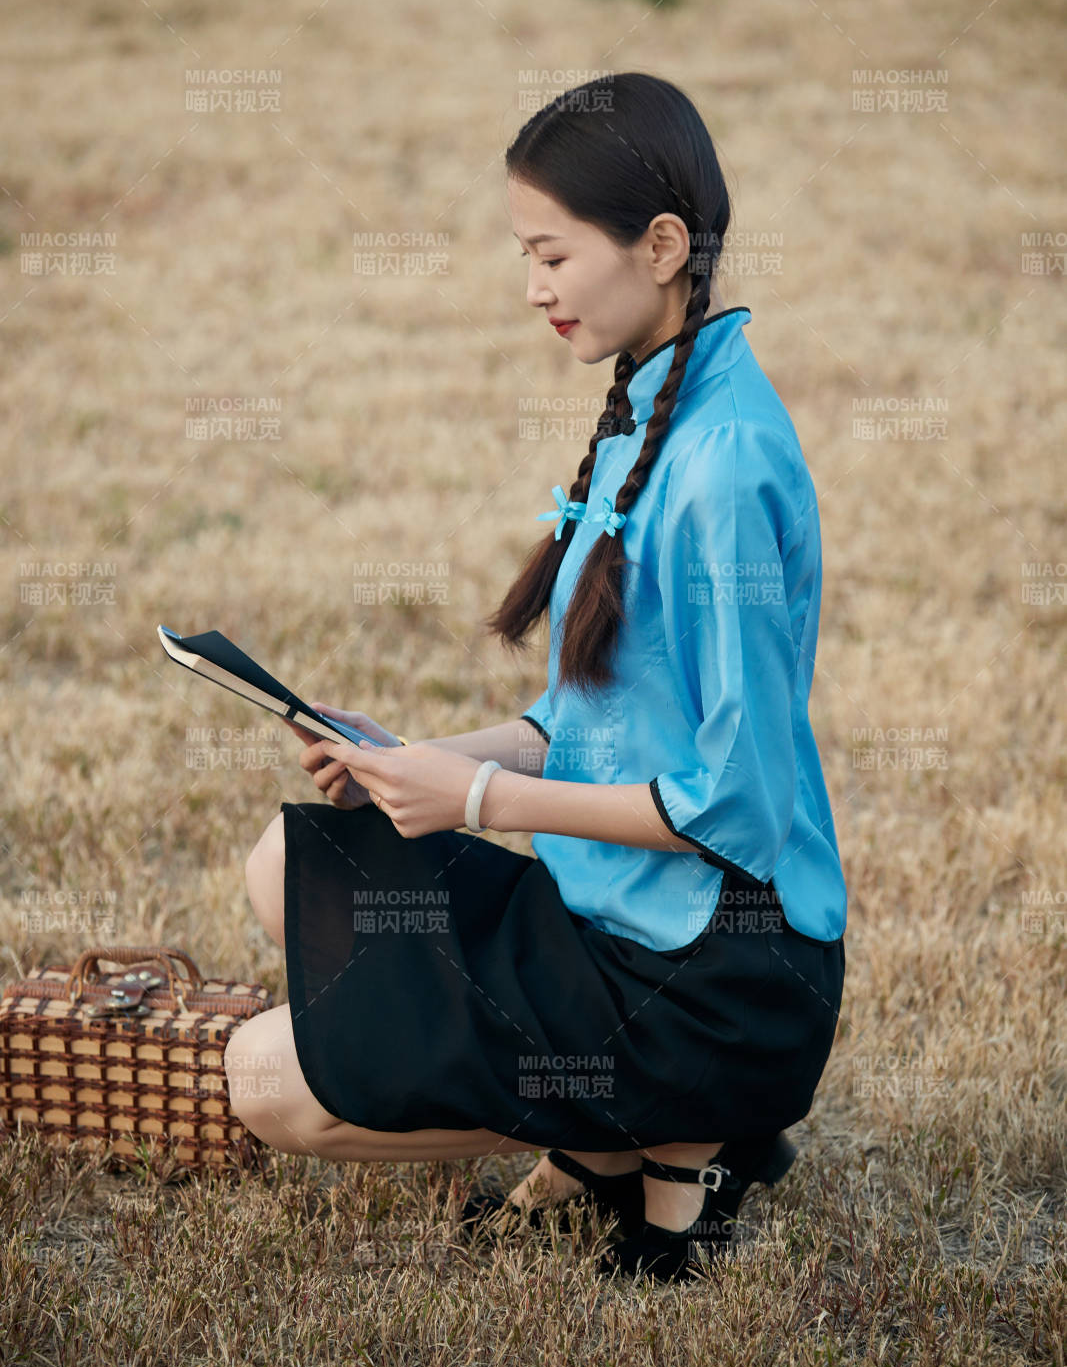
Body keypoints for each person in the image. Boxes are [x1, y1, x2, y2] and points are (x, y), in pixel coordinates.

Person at [227, 71, 847, 1285]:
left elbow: (728, 805)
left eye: (553, 255)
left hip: (714, 973)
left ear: (660, 246)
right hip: (613, 916)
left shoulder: (720, 463)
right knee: (280, 861)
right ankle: (632, 1150)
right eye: (525, 255)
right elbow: (593, 718)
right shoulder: (649, 409)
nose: (532, 289)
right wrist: (424, 759)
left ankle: (672, 1131)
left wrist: (472, 805)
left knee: (265, 1078)